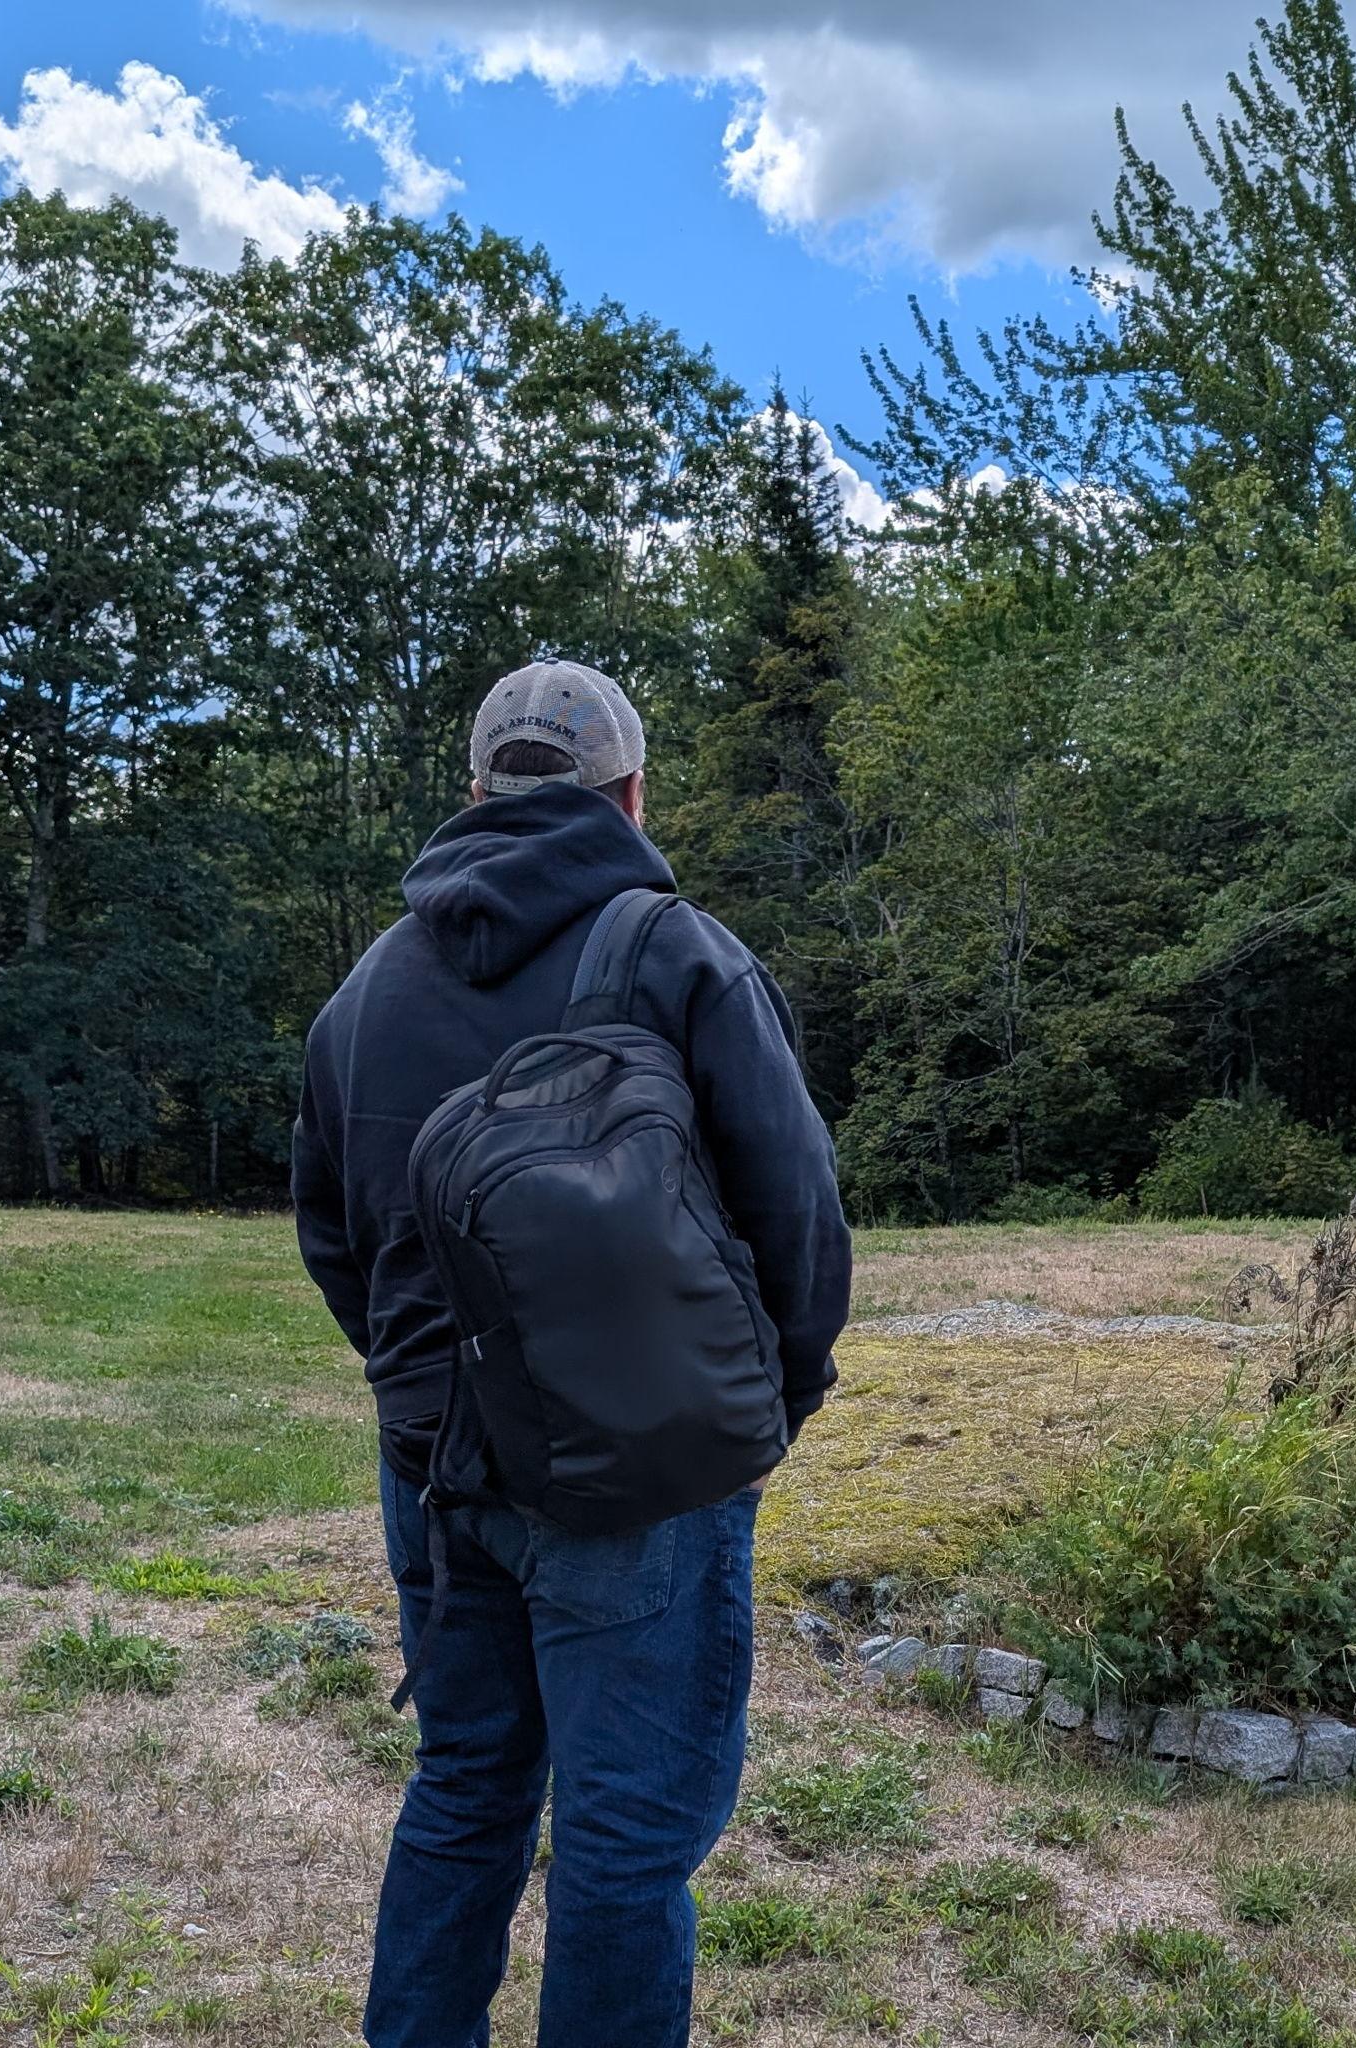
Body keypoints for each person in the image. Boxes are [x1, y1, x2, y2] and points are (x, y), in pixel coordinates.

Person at [291, 659, 852, 2048]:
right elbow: (799, 1217)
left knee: (467, 1785)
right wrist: (748, 1414)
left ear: (478, 789)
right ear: (632, 792)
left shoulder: (366, 990)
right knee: (623, 1841)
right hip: (643, 1472)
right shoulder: (677, 951)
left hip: (436, 1473)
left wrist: (442, 1394)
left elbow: (335, 1240)